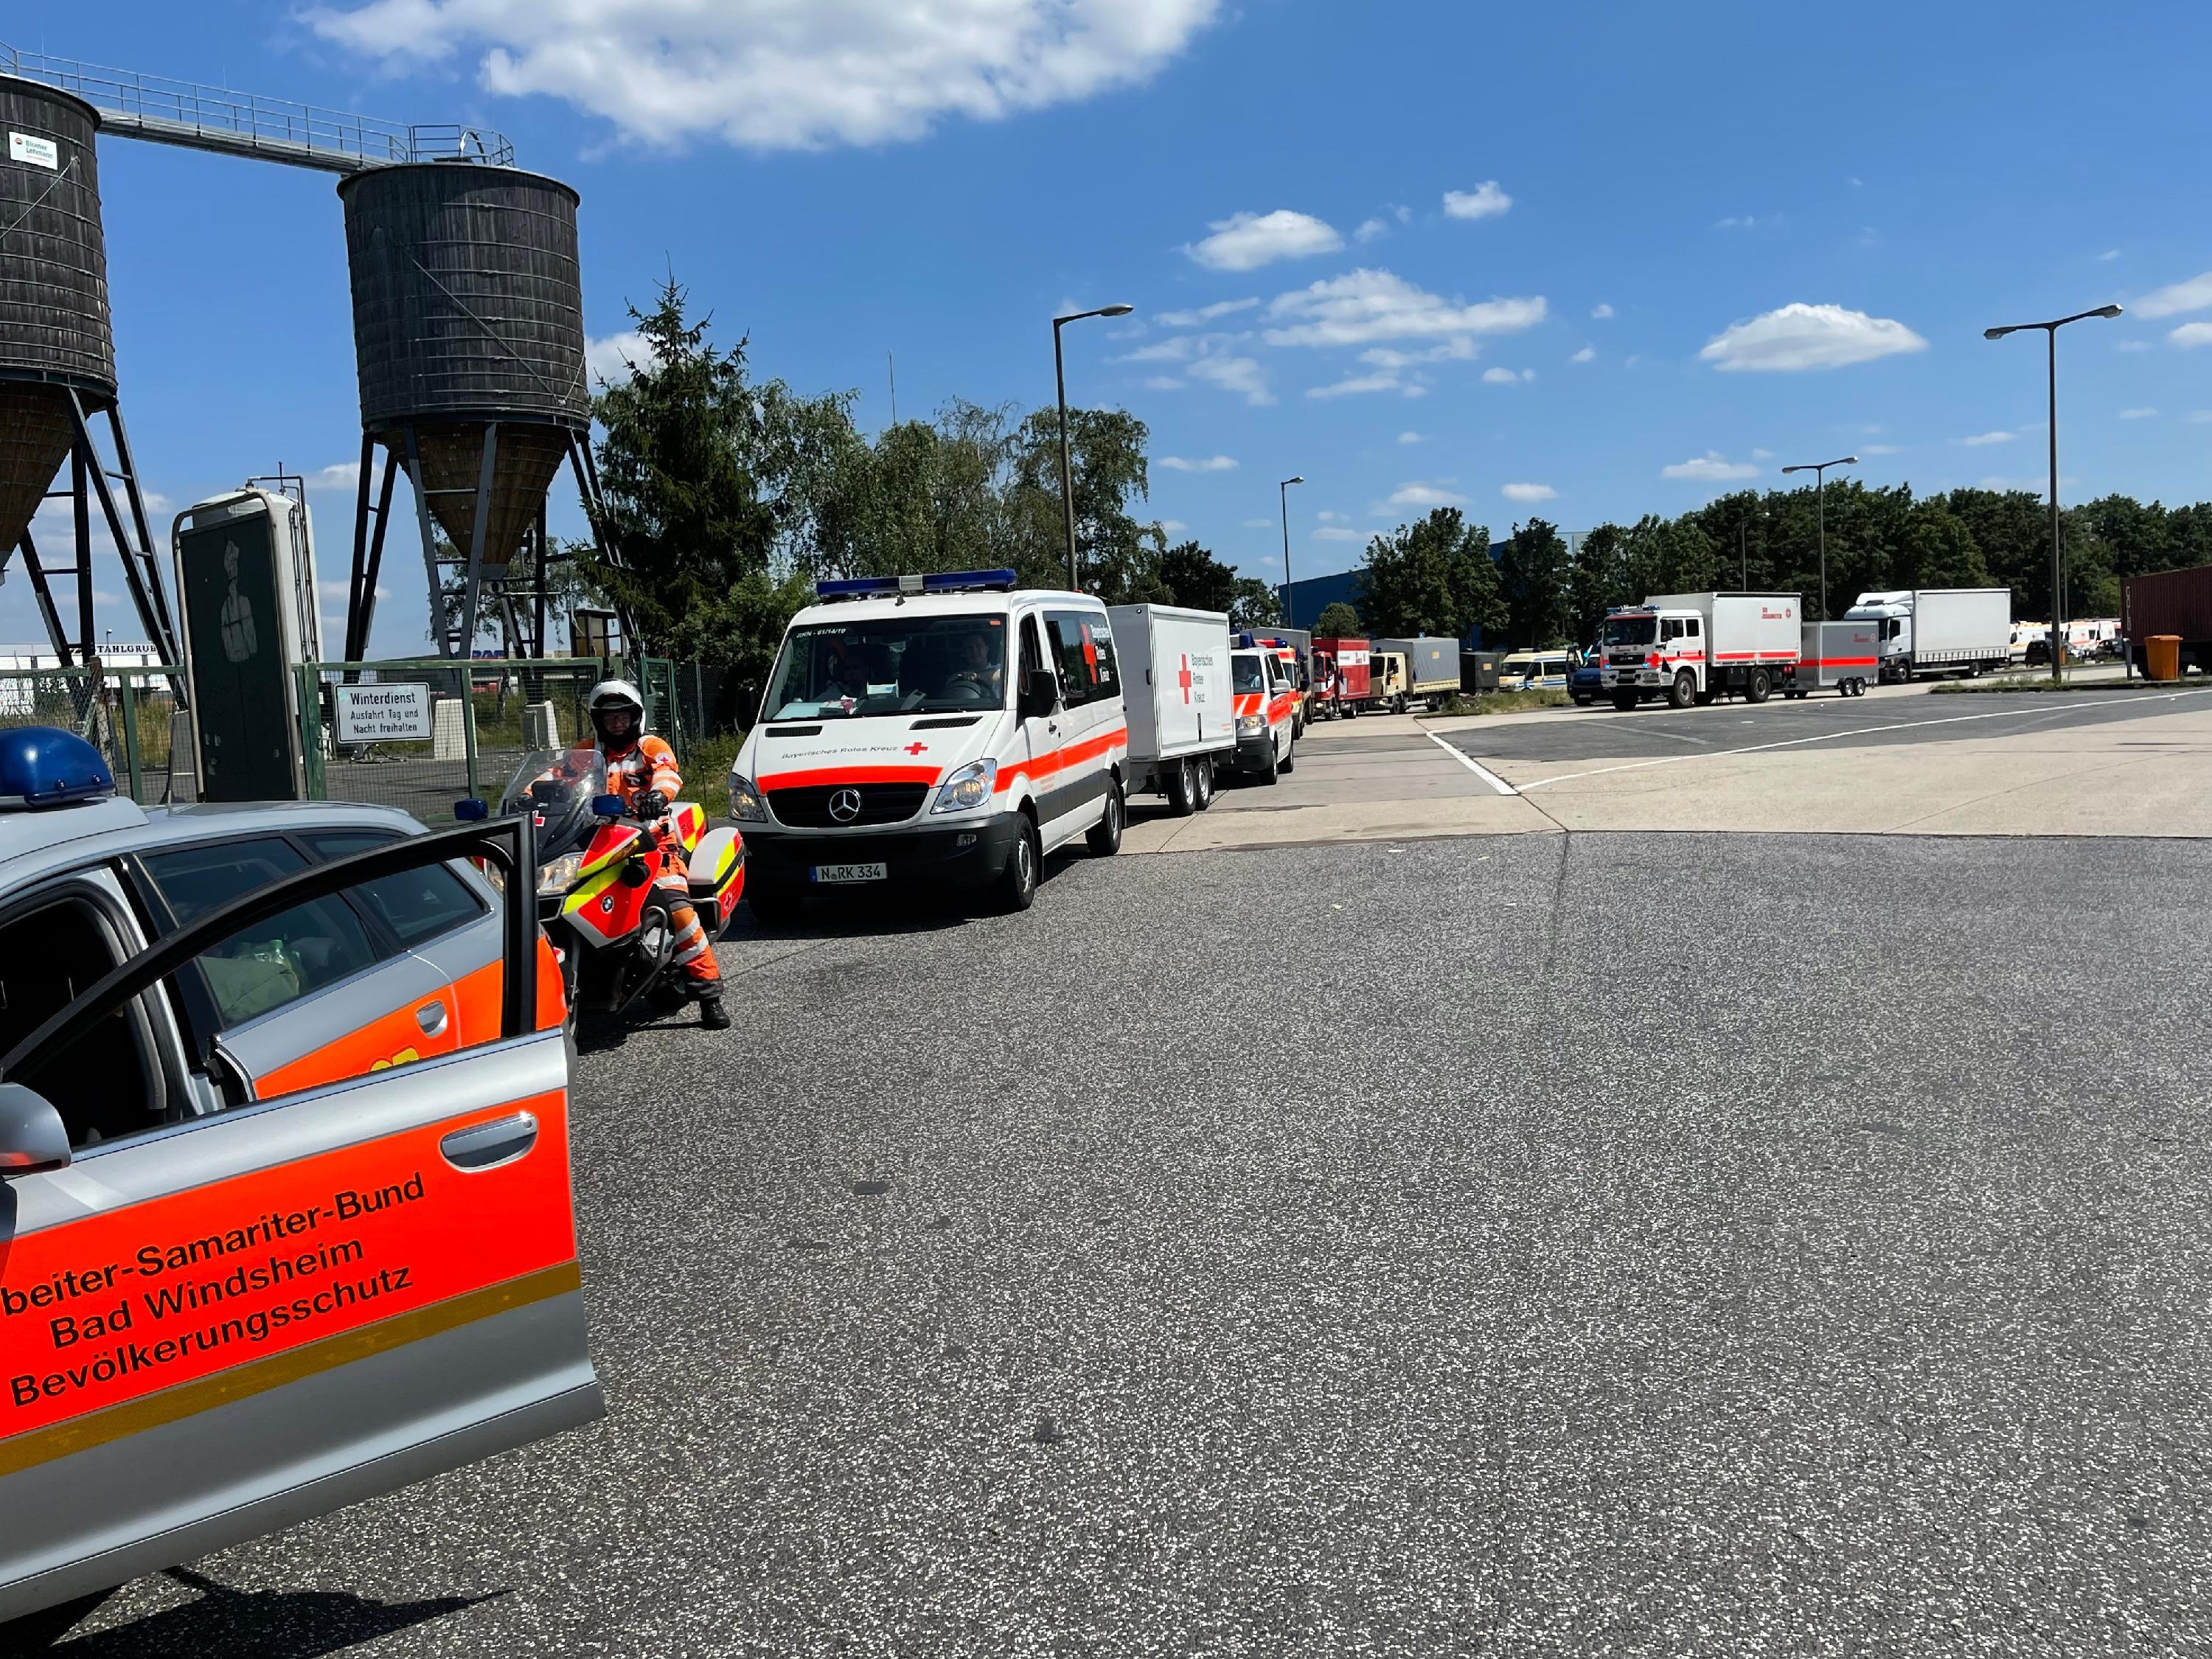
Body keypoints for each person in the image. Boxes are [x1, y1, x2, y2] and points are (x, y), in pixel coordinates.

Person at [572, 680, 728, 1029]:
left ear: (635, 717)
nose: (616, 723)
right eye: (609, 717)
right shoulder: (586, 751)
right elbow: (558, 777)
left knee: (679, 913)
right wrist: (530, 793)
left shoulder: (650, 746)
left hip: (653, 848)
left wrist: (660, 795)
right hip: (599, 848)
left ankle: (709, 996)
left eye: (622, 716)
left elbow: (668, 773)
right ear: (599, 721)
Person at [943, 630, 1004, 700]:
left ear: (987, 649)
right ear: (964, 654)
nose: (974, 651)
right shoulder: (956, 677)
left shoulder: (1000, 669)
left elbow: (998, 675)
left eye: (978, 646)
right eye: (970, 648)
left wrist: (976, 677)